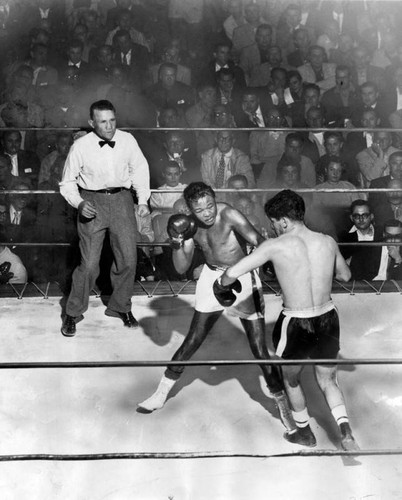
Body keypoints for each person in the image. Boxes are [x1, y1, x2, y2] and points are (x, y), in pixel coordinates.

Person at [138, 182, 298, 438]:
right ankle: (160, 394)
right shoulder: (188, 226)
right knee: (192, 340)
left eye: (210, 205)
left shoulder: (229, 214)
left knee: (258, 347)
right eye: (200, 210)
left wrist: (245, 271)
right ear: (190, 209)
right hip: (211, 277)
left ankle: (283, 405)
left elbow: (259, 242)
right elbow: (181, 268)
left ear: (215, 200)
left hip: (242, 275)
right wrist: (177, 243)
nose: (208, 213)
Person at [217, 189, 358, 450]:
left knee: (291, 378)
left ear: (283, 220)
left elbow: (232, 273)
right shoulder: (327, 241)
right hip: (328, 316)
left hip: (296, 321)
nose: (273, 227)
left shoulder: (274, 246)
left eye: (273, 222)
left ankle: (304, 433)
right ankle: (345, 430)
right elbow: (346, 276)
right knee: (328, 380)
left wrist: (221, 285)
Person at [59, 99, 150, 337]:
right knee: (88, 265)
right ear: (92, 123)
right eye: (102, 122)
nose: (109, 127)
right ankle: (72, 312)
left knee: (129, 259)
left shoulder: (128, 140)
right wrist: (79, 203)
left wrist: (142, 202)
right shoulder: (80, 146)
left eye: (112, 120)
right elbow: (67, 182)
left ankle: (120, 306)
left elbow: (140, 169)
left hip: (122, 200)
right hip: (92, 201)